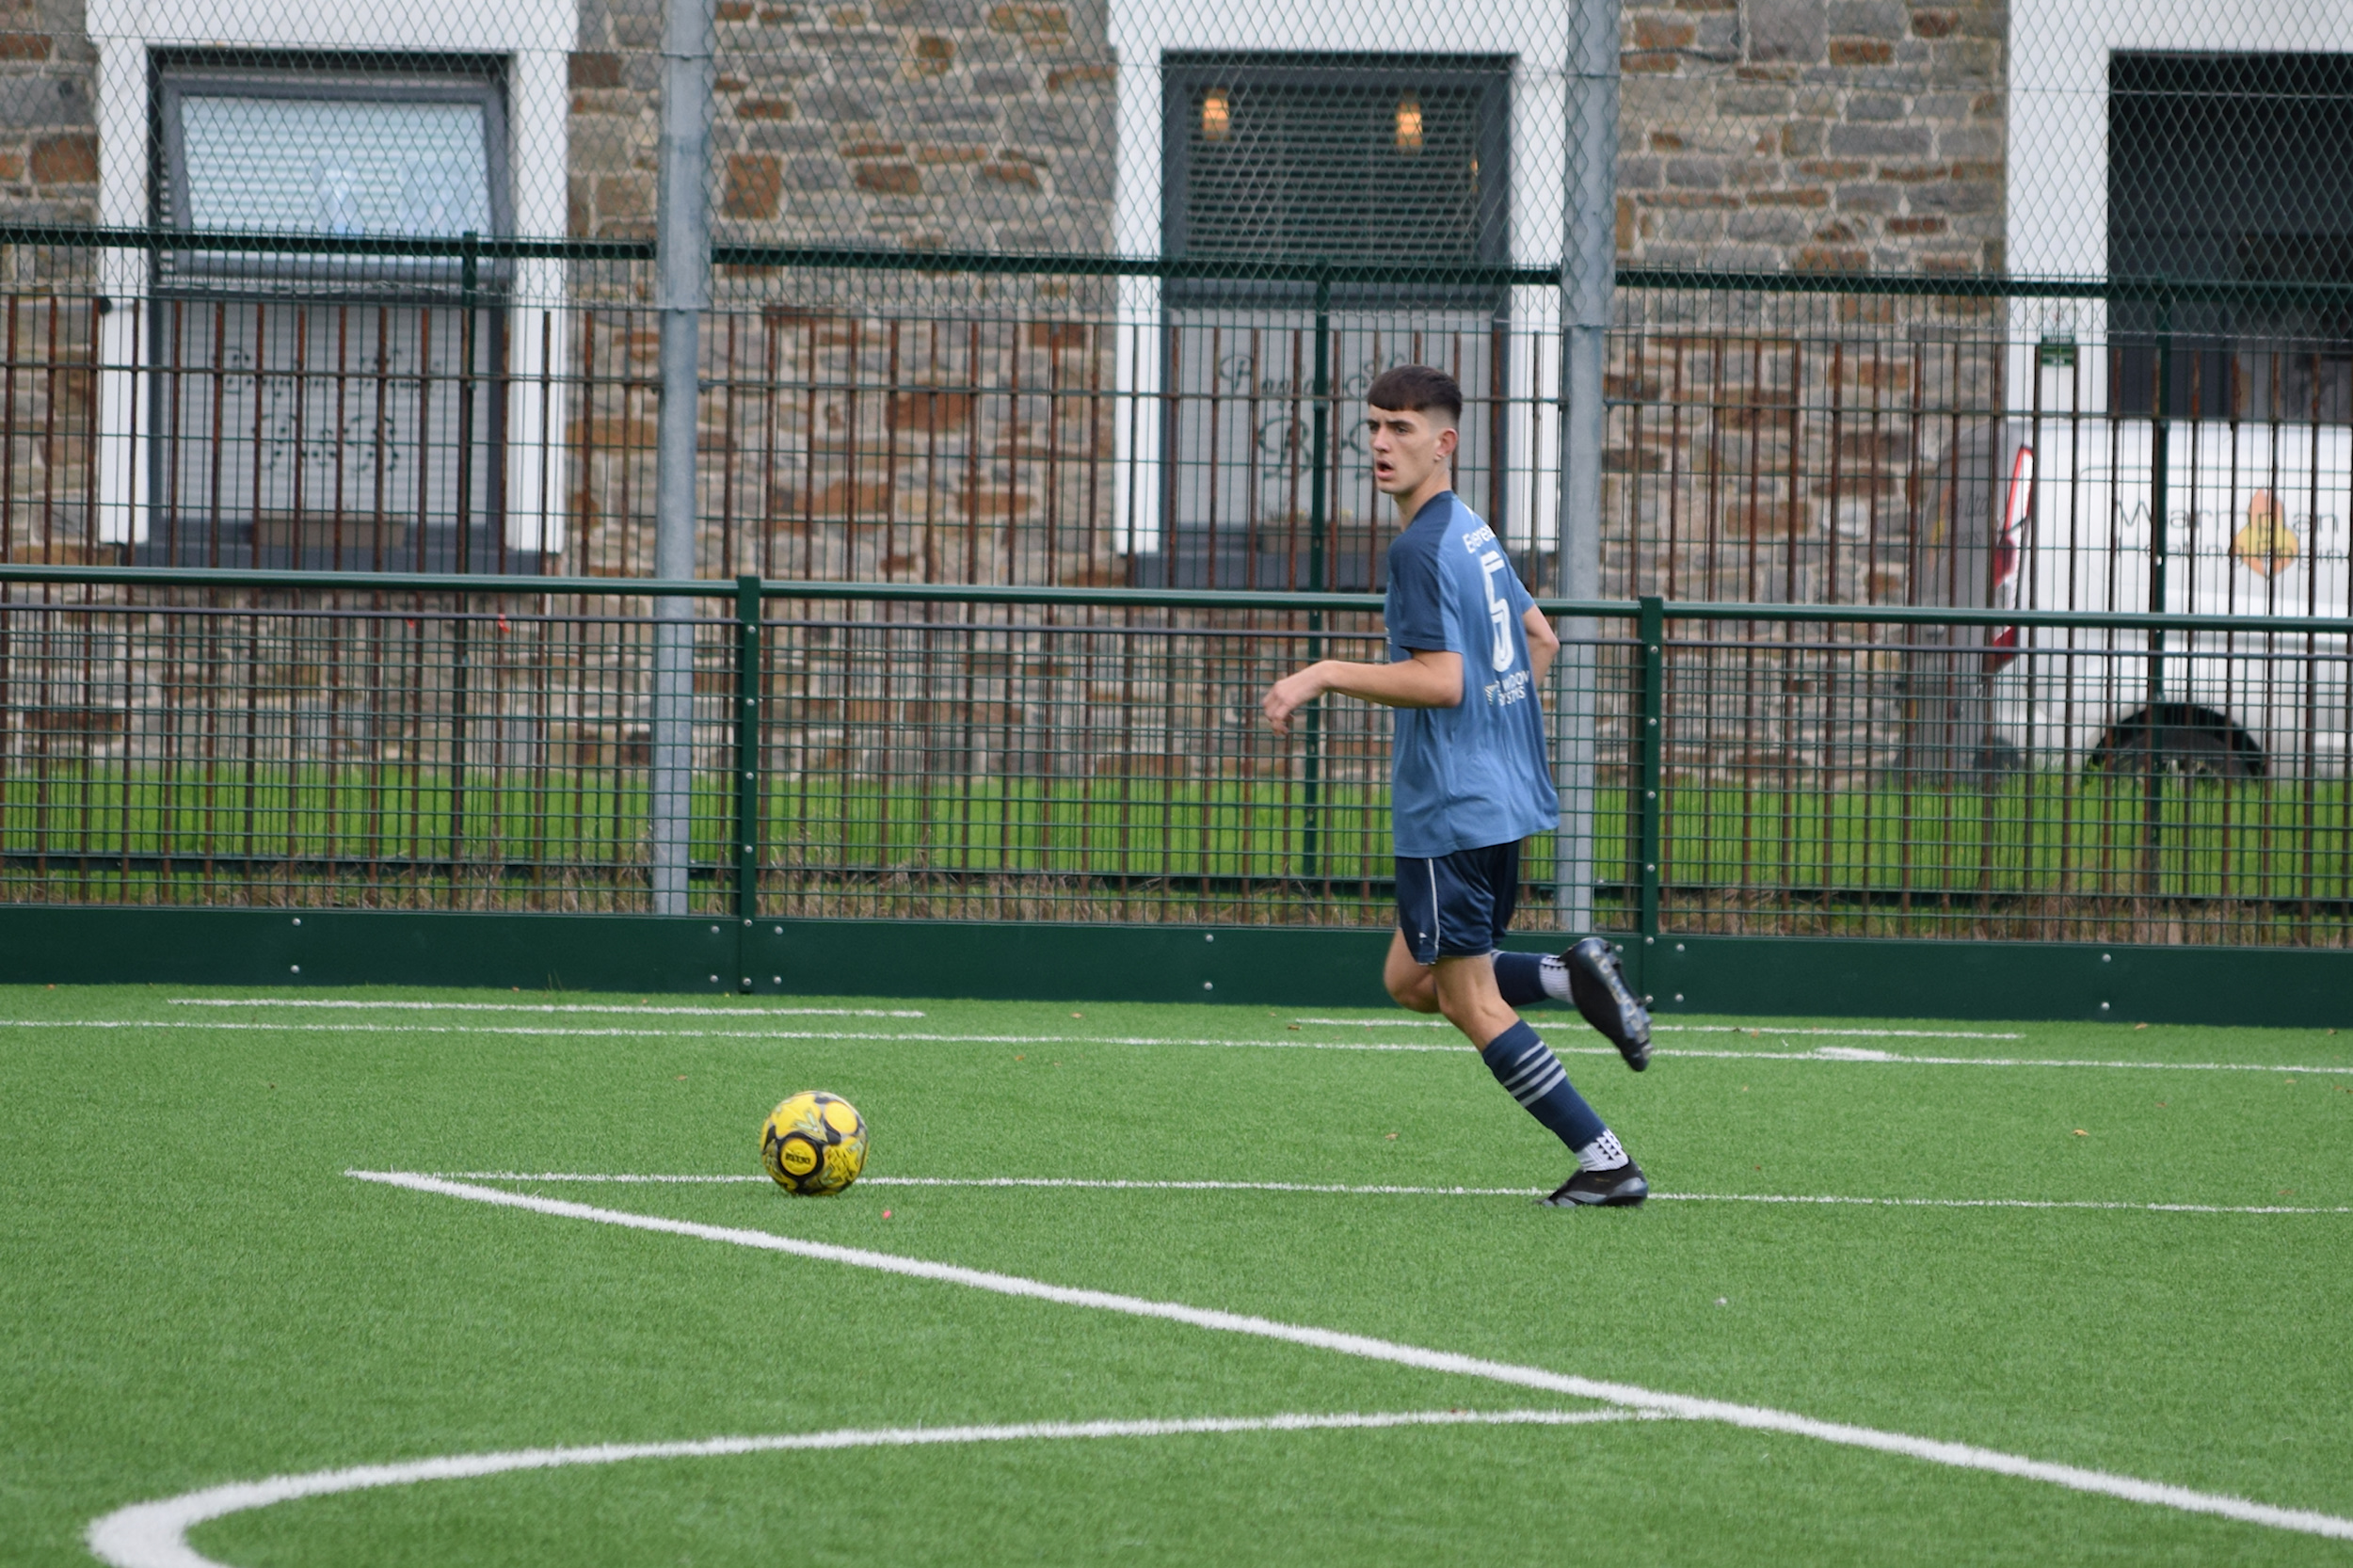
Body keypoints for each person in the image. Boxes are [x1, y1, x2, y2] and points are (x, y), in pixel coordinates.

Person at [1260, 364, 1654, 1207]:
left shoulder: (1418, 549)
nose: (1379, 443)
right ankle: (1567, 976)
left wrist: (1323, 672)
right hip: (1499, 799)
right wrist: (1491, 738)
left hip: (1450, 811)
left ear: (1444, 442)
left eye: (1400, 428)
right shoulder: (1472, 531)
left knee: (1470, 1003)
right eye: (1374, 425)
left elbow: (1442, 681)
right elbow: (1540, 639)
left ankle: (1607, 1162)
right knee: (1411, 982)